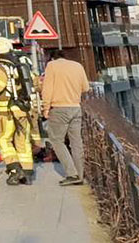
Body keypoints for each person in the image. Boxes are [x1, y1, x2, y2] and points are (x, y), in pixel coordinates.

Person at [0, 37, 35, 185]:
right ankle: (27, 172)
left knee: (3, 140)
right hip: (21, 110)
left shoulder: (0, 68)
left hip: (7, 112)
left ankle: (14, 169)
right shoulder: (16, 65)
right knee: (23, 141)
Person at [41, 48, 90, 186]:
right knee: (76, 142)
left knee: (56, 140)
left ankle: (71, 173)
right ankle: (80, 175)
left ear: (52, 58)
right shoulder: (77, 66)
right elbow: (85, 88)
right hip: (76, 108)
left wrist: (45, 108)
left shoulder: (52, 66)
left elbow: (47, 89)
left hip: (59, 109)